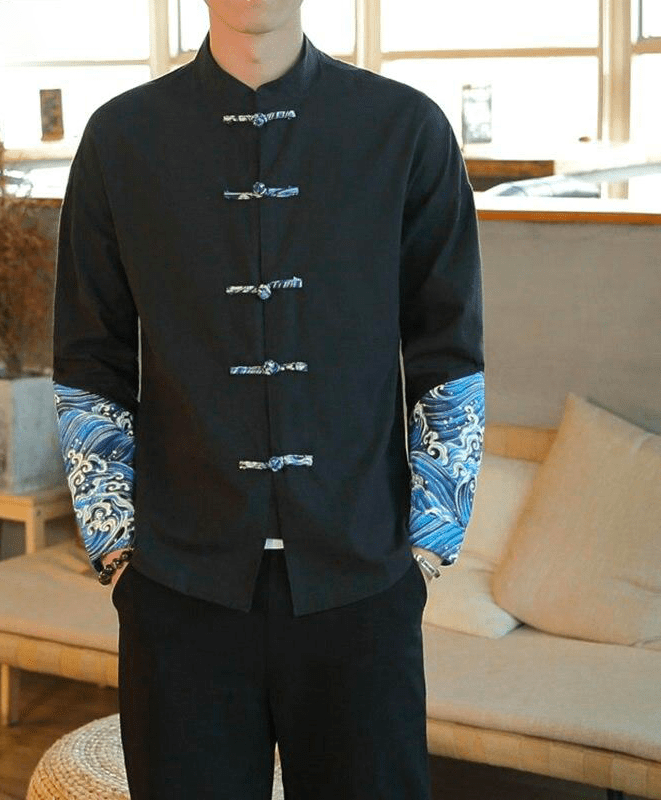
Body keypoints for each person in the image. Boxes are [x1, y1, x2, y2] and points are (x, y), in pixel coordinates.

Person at [51, 0, 485, 797]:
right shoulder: (121, 138)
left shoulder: (406, 130)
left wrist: (427, 550)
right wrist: (118, 555)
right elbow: (89, 362)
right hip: (179, 593)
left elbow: (448, 358)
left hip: (363, 591)